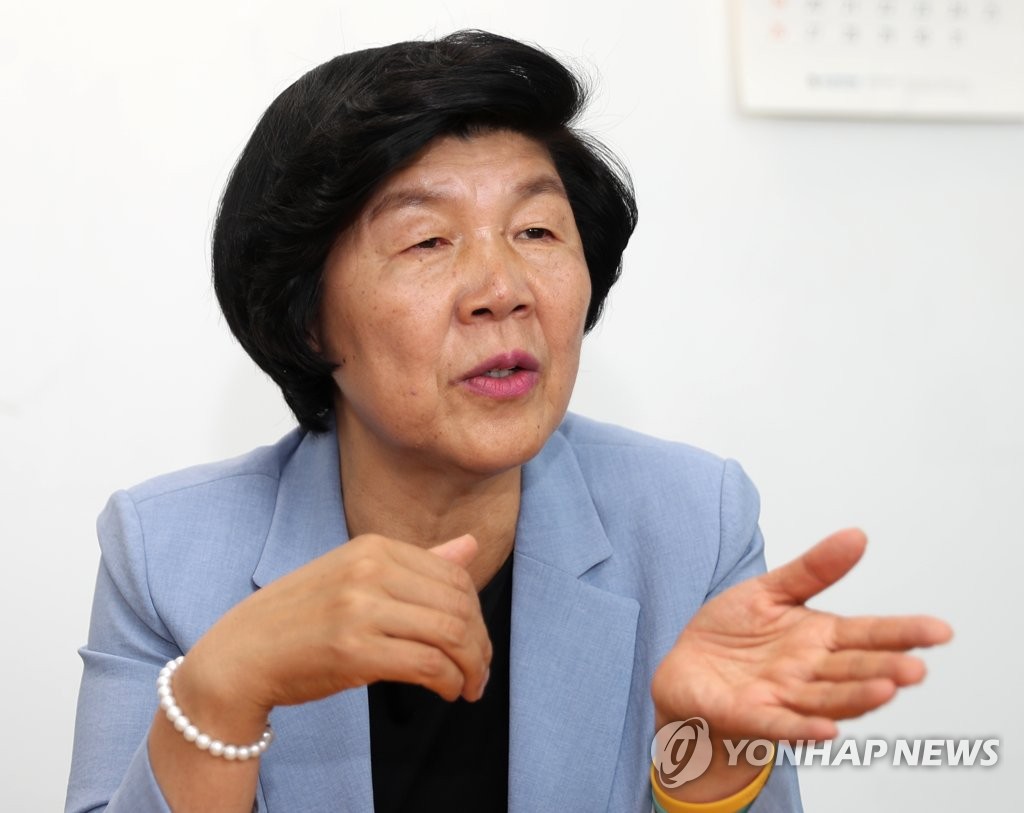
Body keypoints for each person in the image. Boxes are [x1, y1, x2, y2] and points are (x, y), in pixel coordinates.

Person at [65, 30, 951, 813]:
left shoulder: (691, 523)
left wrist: (709, 757)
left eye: (536, 231)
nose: (503, 289)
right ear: (308, 318)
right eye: (427, 240)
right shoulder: (167, 554)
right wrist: (222, 691)